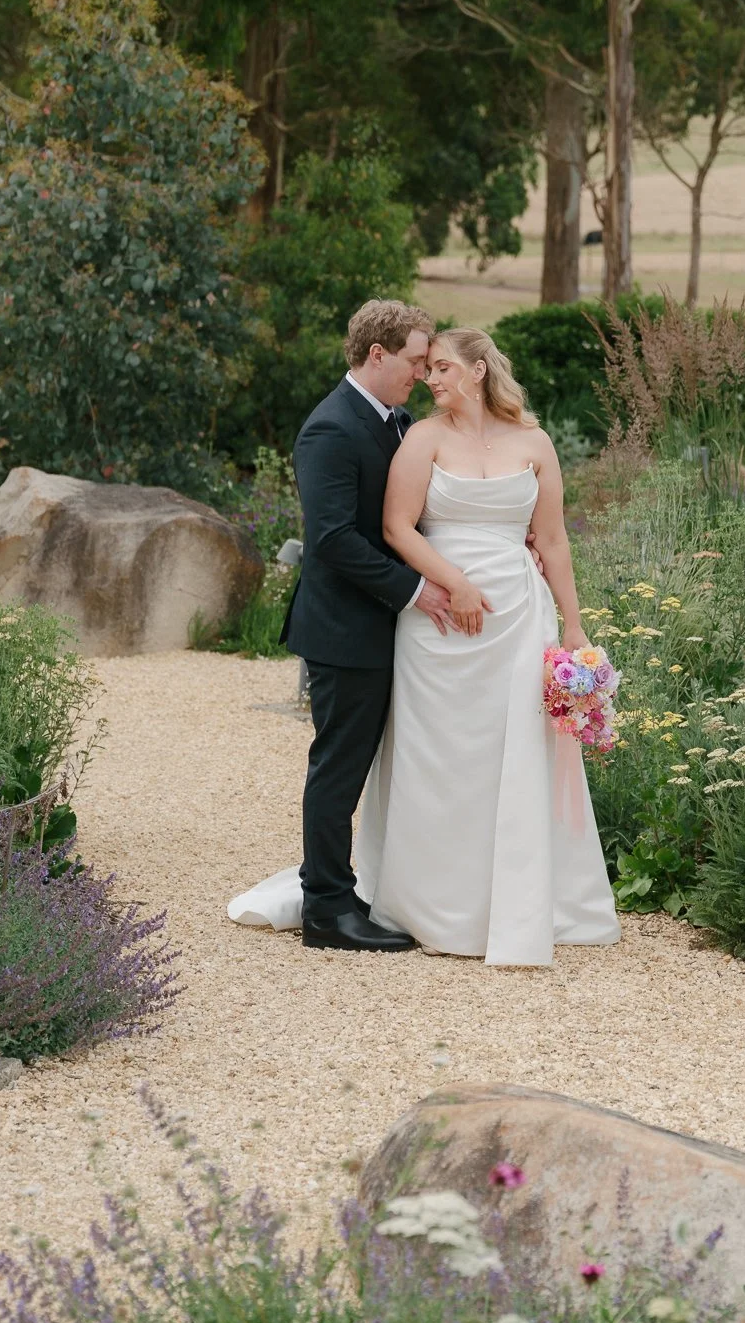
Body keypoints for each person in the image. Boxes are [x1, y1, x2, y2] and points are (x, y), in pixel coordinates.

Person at [228, 318, 620, 967]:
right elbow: (390, 526)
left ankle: (520, 897)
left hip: (518, 619)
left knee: (512, 754)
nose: (427, 376)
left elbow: (551, 539)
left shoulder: (529, 440)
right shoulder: (414, 435)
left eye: (439, 366)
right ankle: (412, 901)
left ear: (477, 368)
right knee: (435, 760)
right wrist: (450, 583)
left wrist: (573, 627)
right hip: (437, 620)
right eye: (422, 364)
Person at [232, 299, 445, 951]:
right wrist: (416, 589)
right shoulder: (329, 428)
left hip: (380, 630)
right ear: (376, 355)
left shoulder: (393, 419)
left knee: (366, 768)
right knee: (338, 768)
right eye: (413, 360)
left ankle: (347, 888)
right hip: (343, 632)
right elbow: (332, 540)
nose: (420, 372)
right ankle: (325, 907)